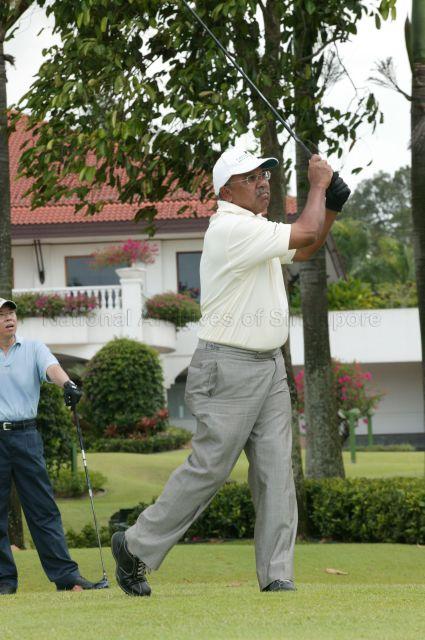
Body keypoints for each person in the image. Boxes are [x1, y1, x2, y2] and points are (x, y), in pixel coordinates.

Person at [112, 148, 350, 596]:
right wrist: (318, 186)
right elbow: (306, 229)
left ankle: (277, 575)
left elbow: (305, 247)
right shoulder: (230, 229)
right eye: (252, 176)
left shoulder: (256, 228)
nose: (264, 182)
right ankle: (135, 547)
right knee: (210, 469)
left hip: (269, 367)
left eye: (265, 174)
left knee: (277, 473)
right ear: (227, 190)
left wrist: (331, 205)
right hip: (227, 365)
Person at [0, 297, 96, 594]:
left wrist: (67, 384)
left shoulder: (33, 348)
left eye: (11, 312)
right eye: (1, 314)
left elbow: (52, 368)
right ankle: (4, 581)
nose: (8, 318)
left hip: (26, 436)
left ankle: (66, 577)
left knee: (43, 509)